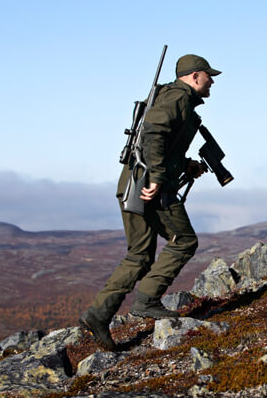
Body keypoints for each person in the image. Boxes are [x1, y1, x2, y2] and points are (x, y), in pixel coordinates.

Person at [80, 54, 222, 350]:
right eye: (208, 76)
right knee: (184, 240)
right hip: (151, 189)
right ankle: (147, 300)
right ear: (195, 76)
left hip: (133, 184)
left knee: (140, 255)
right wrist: (157, 176)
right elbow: (153, 134)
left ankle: (98, 314)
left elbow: (161, 146)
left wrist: (185, 166)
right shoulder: (177, 98)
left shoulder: (174, 98)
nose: (212, 81)